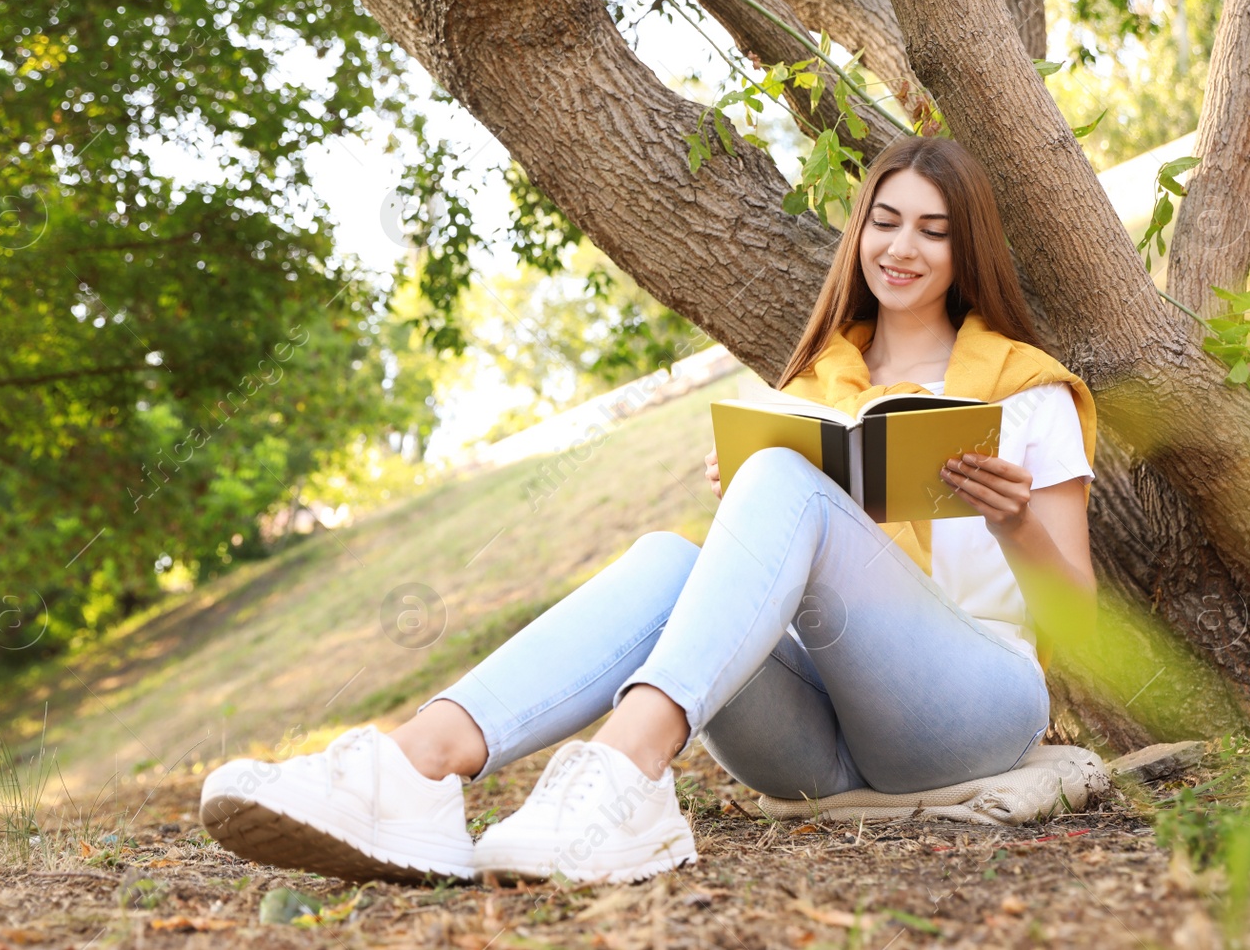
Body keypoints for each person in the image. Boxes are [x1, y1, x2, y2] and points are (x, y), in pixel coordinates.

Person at [198, 136, 1099, 886]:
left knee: (785, 486)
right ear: (858, 231)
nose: (902, 248)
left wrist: (1015, 522)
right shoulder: (814, 385)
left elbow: (1084, 623)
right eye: (885, 221)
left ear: (965, 249)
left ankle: (624, 773)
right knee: (675, 557)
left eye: (933, 232)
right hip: (817, 746)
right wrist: (757, 513)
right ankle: (417, 766)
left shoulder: (1026, 393)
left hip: (967, 710)